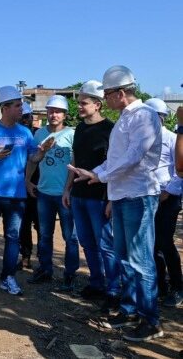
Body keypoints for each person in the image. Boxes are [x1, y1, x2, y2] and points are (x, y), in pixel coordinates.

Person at [70, 65, 163, 342]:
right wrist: (96, 173)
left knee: (141, 260)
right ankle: (129, 309)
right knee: (124, 256)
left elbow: (134, 157)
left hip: (138, 195)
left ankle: (151, 320)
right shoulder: (124, 118)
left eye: (107, 93)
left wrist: (102, 176)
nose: (105, 98)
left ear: (121, 93)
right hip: (121, 195)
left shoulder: (145, 117)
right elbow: (114, 158)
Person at [0, 86, 50, 296]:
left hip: (16, 197)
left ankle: (8, 278)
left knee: (13, 238)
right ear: (4, 108)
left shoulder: (24, 133)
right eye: (17, 106)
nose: (21, 110)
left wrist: (42, 152)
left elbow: (33, 158)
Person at [63, 81, 120, 313]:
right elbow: (74, 162)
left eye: (84, 103)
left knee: (106, 245)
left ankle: (114, 291)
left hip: (100, 197)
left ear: (98, 105)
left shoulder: (111, 129)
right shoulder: (79, 129)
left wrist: (111, 199)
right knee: (87, 242)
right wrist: (67, 189)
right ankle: (96, 282)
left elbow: (116, 166)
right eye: (79, 103)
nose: (80, 107)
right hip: (79, 195)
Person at [25, 95, 79, 291]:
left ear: (64, 114)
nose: (53, 114)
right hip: (44, 193)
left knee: (70, 237)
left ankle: (70, 274)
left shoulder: (72, 134)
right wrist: (28, 180)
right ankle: (45, 269)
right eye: (50, 110)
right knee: (45, 234)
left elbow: (75, 165)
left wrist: (67, 189)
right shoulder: (39, 134)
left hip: (64, 194)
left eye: (58, 111)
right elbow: (33, 159)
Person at [145, 98, 182, 308]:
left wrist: (168, 191)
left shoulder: (173, 138)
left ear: (161, 118)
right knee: (152, 244)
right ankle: (160, 285)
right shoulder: (146, 140)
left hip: (168, 198)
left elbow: (180, 169)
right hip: (149, 197)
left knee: (165, 242)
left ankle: (178, 286)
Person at [18, 102, 40, 270]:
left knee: (41, 224)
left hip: (39, 186)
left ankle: (43, 259)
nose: (26, 120)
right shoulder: (16, 136)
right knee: (23, 224)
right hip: (19, 187)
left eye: (28, 117)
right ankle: (25, 256)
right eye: (23, 116)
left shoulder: (40, 135)